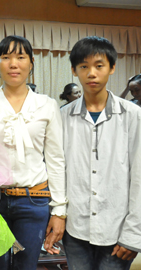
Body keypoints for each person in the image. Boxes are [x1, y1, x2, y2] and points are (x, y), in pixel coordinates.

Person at [0, 35, 67, 270]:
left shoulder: (46, 104)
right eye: (6, 57)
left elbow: (55, 159)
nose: (13, 64)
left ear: (31, 64)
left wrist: (59, 210)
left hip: (34, 201)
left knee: (27, 266)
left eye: (21, 57)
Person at [61, 36, 141, 270]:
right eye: (84, 66)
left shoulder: (133, 116)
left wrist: (133, 234)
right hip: (75, 228)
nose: (92, 73)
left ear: (112, 67)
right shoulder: (63, 116)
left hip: (117, 229)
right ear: (74, 71)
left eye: (99, 65)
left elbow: (139, 177)